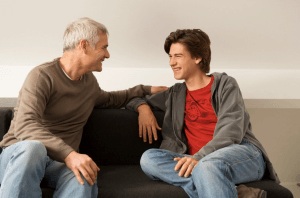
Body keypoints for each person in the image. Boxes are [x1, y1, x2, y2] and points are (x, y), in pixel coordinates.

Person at [0, 17, 167, 198]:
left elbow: (112, 98)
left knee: (85, 174)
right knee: (34, 148)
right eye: (104, 47)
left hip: (58, 164)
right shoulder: (42, 76)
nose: (107, 55)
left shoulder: (88, 83)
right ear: (84, 45)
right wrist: (70, 154)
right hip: (20, 159)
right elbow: (25, 126)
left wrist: (145, 92)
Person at [125, 29, 280, 198]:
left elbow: (231, 133)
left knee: (207, 166)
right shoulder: (174, 94)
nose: (171, 62)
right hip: (197, 161)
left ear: (197, 58)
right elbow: (131, 99)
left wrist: (199, 158)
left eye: (178, 56)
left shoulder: (225, 85)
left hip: (240, 154)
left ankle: (210, 177)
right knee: (149, 159)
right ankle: (233, 192)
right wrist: (143, 108)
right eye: (170, 56)